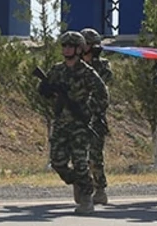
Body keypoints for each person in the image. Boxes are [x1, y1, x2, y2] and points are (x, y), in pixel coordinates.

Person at [37, 30, 108, 214]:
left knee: (80, 161)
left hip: (79, 125)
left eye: (71, 46)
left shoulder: (87, 72)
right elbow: (44, 90)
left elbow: (102, 94)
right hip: (61, 123)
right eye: (64, 46)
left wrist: (88, 110)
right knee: (57, 161)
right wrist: (47, 89)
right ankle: (78, 181)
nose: (67, 49)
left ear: (78, 49)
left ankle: (86, 196)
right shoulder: (57, 70)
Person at [79, 27, 113, 205]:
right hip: (76, 117)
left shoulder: (102, 65)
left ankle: (100, 189)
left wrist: (94, 60)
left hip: (95, 118)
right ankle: (83, 187)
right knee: (77, 156)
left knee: (94, 156)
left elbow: (102, 82)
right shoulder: (74, 65)